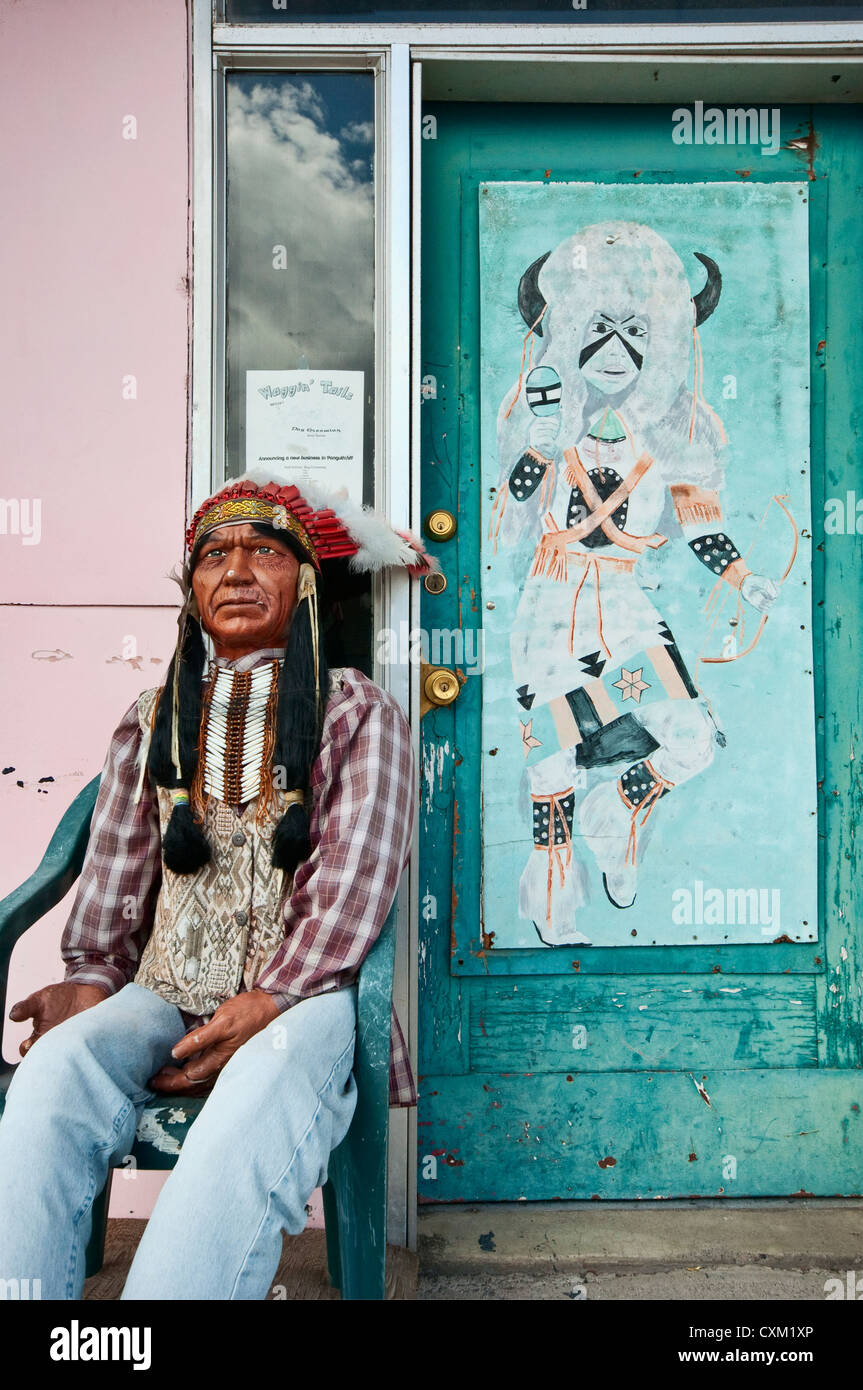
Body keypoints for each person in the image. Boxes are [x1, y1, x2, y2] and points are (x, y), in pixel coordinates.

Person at [0, 471, 437, 1300]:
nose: (235, 570)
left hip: (305, 1002)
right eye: (214, 556)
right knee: (53, 1077)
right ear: (191, 589)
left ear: (306, 585)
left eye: (264, 552)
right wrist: (89, 981)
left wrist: (271, 1000)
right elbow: (117, 875)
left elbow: (353, 883)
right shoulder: (150, 716)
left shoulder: (358, 713)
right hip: (165, 993)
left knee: (251, 1105)